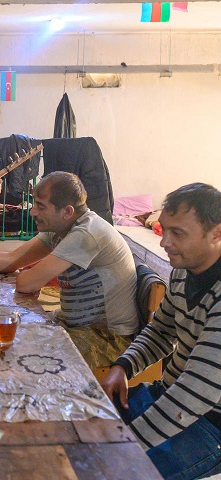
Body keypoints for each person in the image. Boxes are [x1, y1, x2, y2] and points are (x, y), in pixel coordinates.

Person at [0, 171, 139, 369]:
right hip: (75, 325)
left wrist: (29, 277)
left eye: (41, 206)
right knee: (1, 333)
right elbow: (10, 260)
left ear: (67, 211)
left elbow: (26, 283)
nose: (32, 212)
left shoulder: (86, 233)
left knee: (18, 354)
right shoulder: (61, 228)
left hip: (108, 339)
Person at [101, 183, 221, 480]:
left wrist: (129, 447)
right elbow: (161, 332)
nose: (165, 242)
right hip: (172, 394)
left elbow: (198, 390)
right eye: (163, 229)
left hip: (211, 423)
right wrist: (123, 366)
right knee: (87, 426)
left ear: (217, 233)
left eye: (178, 233)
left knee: (116, 470)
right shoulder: (183, 270)